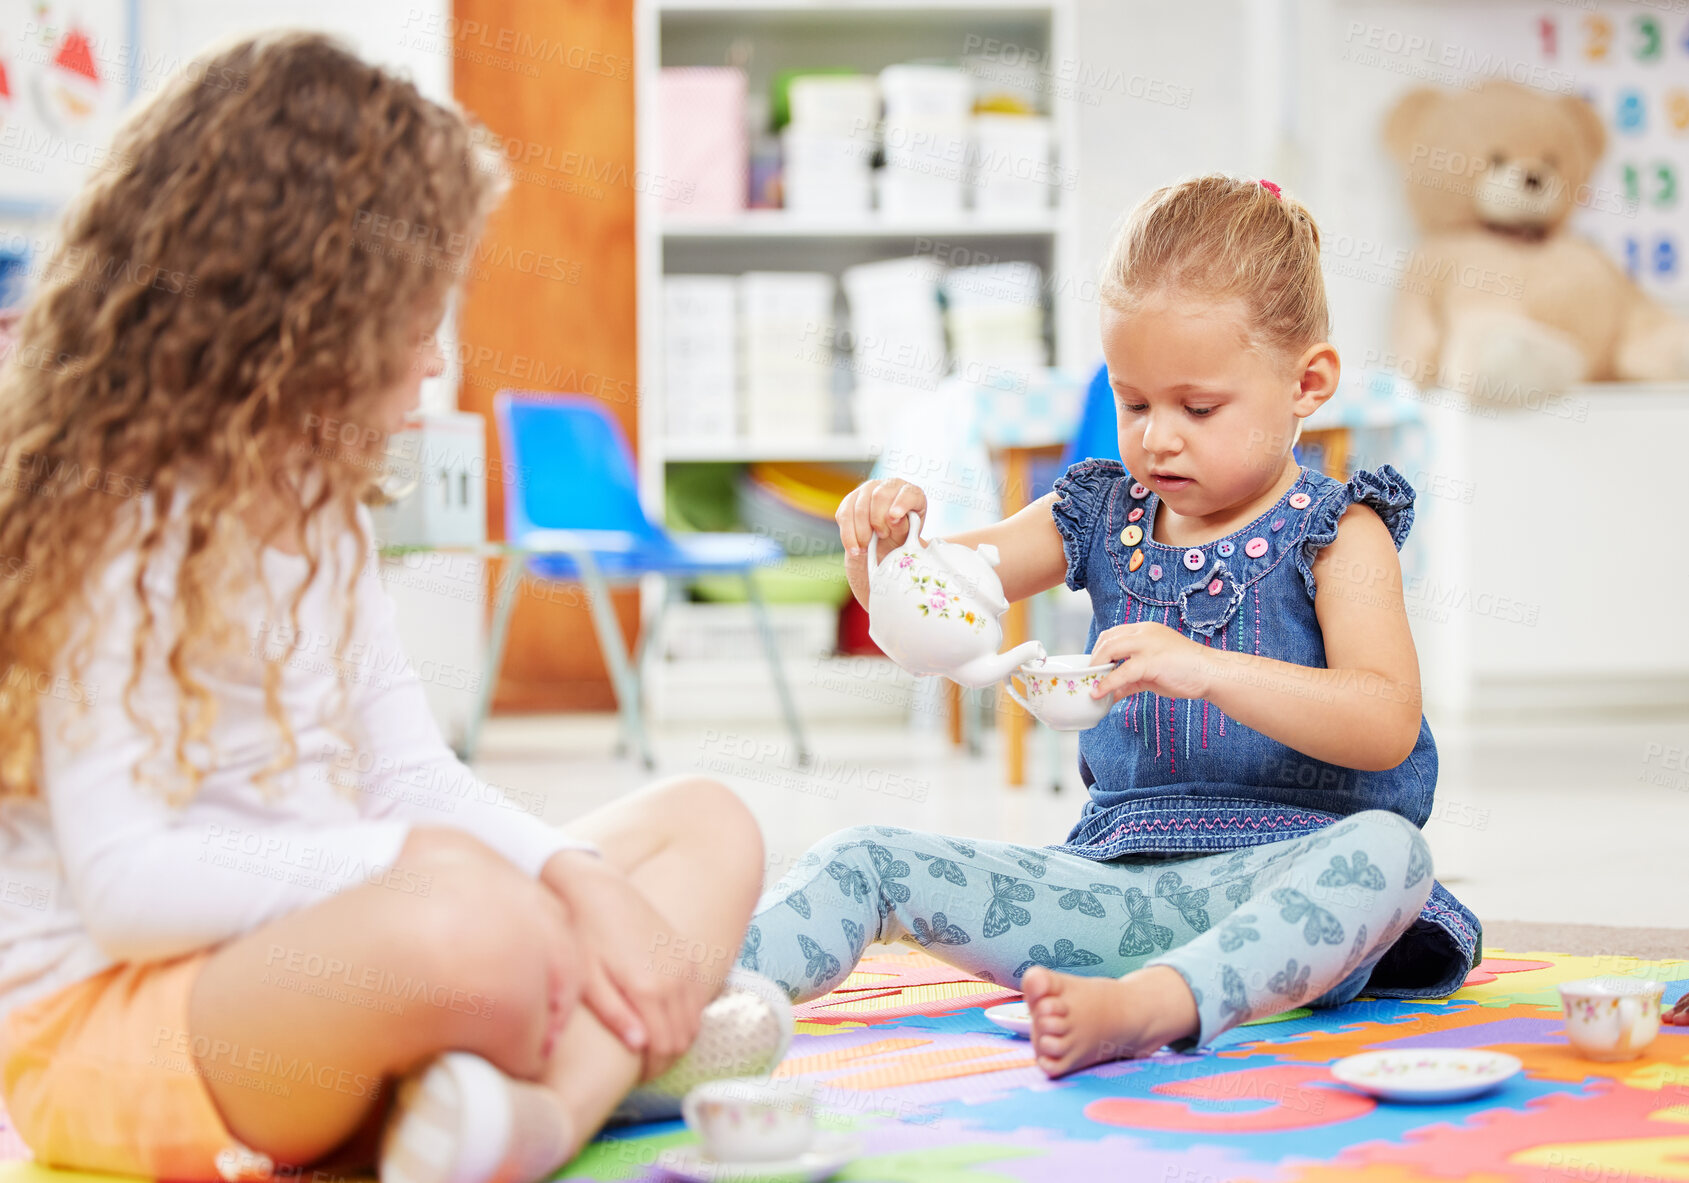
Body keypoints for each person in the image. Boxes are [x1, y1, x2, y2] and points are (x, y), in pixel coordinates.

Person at [0, 32, 783, 1183]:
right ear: (297, 319)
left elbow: (412, 771)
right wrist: (416, 869)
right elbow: (125, 890)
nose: (432, 361)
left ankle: (521, 1106)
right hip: (128, 1023)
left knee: (708, 824)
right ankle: (596, 1061)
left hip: (328, 950)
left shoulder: (321, 509)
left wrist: (578, 880)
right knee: (475, 933)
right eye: (410, 319)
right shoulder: (110, 519)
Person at [740, 174, 1480, 1077]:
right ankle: (688, 1001)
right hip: (1109, 896)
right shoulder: (1098, 511)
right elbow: (948, 584)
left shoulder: (1340, 532)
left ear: (1306, 383)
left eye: (1196, 407)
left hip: (1288, 891)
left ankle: (1154, 1006)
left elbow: (1382, 719)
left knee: (1390, 855)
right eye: (1133, 403)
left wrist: (1206, 668)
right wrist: (886, 545)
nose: (1156, 437)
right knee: (861, 854)